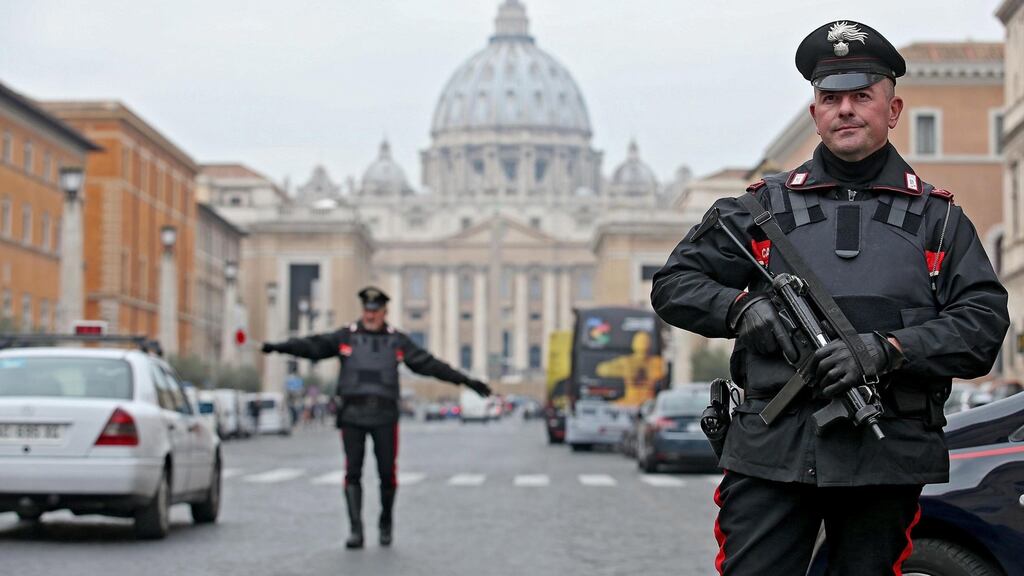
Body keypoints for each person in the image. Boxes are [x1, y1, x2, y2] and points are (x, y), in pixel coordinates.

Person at [651, 20, 1008, 575]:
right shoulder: (757, 211)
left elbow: (982, 326)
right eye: (830, 98)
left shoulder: (940, 222)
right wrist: (740, 310)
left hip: (885, 454)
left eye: (861, 96)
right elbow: (673, 284)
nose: (845, 109)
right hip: (772, 449)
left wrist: (885, 349)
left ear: (892, 110)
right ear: (815, 112)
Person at [261, 286, 492, 549]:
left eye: (375, 311)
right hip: (352, 415)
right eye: (367, 311)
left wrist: (467, 381)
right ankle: (356, 530)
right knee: (353, 472)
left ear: (384, 311)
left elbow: (430, 365)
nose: (370, 315)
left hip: (384, 415)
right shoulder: (346, 336)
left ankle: (385, 522)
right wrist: (278, 347)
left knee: (387, 473)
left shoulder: (397, 342)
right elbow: (313, 345)